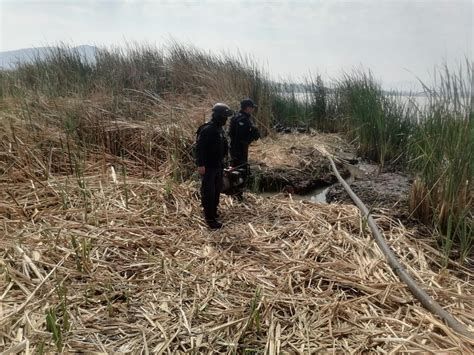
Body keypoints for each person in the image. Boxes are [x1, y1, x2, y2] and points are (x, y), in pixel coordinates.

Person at [195, 103, 233, 229]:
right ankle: (209, 218)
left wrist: (226, 163)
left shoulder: (219, 129)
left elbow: (223, 147)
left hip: (218, 165)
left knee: (217, 189)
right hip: (208, 166)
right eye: (224, 117)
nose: (225, 119)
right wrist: (200, 165)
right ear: (217, 116)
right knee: (209, 192)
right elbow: (199, 148)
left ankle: (214, 211)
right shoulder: (207, 129)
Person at [228, 98, 261, 200]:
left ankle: (234, 192)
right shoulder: (243, 119)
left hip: (234, 148)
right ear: (247, 108)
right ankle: (238, 194)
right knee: (240, 170)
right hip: (240, 149)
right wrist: (253, 135)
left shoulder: (235, 117)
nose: (253, 110)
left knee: (235, 167)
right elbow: (241, 138)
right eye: (252, 108)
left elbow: (231, 134)